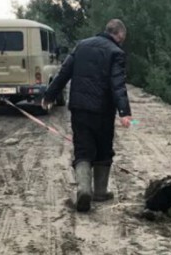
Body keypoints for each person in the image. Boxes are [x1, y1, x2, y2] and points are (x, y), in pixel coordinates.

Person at [42, 19, 132, 212]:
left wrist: (49, 96)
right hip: (103, 112)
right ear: (119, 35)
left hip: (79, 109)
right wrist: (124, 112)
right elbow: (118, 85)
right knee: (103, 149)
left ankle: (84, 190)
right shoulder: (116, 53)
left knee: (82, 149)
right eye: (122, 39)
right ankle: (100, 192)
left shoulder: (81, 46)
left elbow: (63, 73)